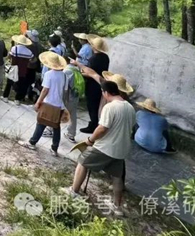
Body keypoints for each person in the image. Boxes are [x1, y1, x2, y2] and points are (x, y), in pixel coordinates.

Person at [63, 80, 135, 216]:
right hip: (121, 149)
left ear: (105, 92)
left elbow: (102, 128)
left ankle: (74, 191)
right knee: (117, 177)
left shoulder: (110, 107)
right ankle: (117, 207)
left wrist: (90, 140)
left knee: (83, 161)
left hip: (106, 147)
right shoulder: (130, 107)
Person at [21, 51, 68, 155]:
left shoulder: (48, 74)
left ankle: (32, 142)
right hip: (59, 105)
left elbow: (45, 90)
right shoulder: (64, 76)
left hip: (48, 103)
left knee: (41, 122)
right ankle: (54, 148)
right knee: (56, 126)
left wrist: (38, 102)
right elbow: (65, 91)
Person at [76, 35, 110, 133]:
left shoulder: (93, 59)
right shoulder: (105, 57)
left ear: (94, 47)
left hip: (92, 84)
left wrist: (81, 73)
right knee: (98, 105)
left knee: (92, 106)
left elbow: (90, 74)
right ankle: (96, 123)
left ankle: (93, 125)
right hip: (101, 83)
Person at [2, 35, 33, 103]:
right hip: (23, 71)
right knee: (20, 85)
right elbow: (32, 60)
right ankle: (17, 100)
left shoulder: (14, 48)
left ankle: (5, 97)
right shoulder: (29, 52)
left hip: (13, 69)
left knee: (9, 84)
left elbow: (9, 57)